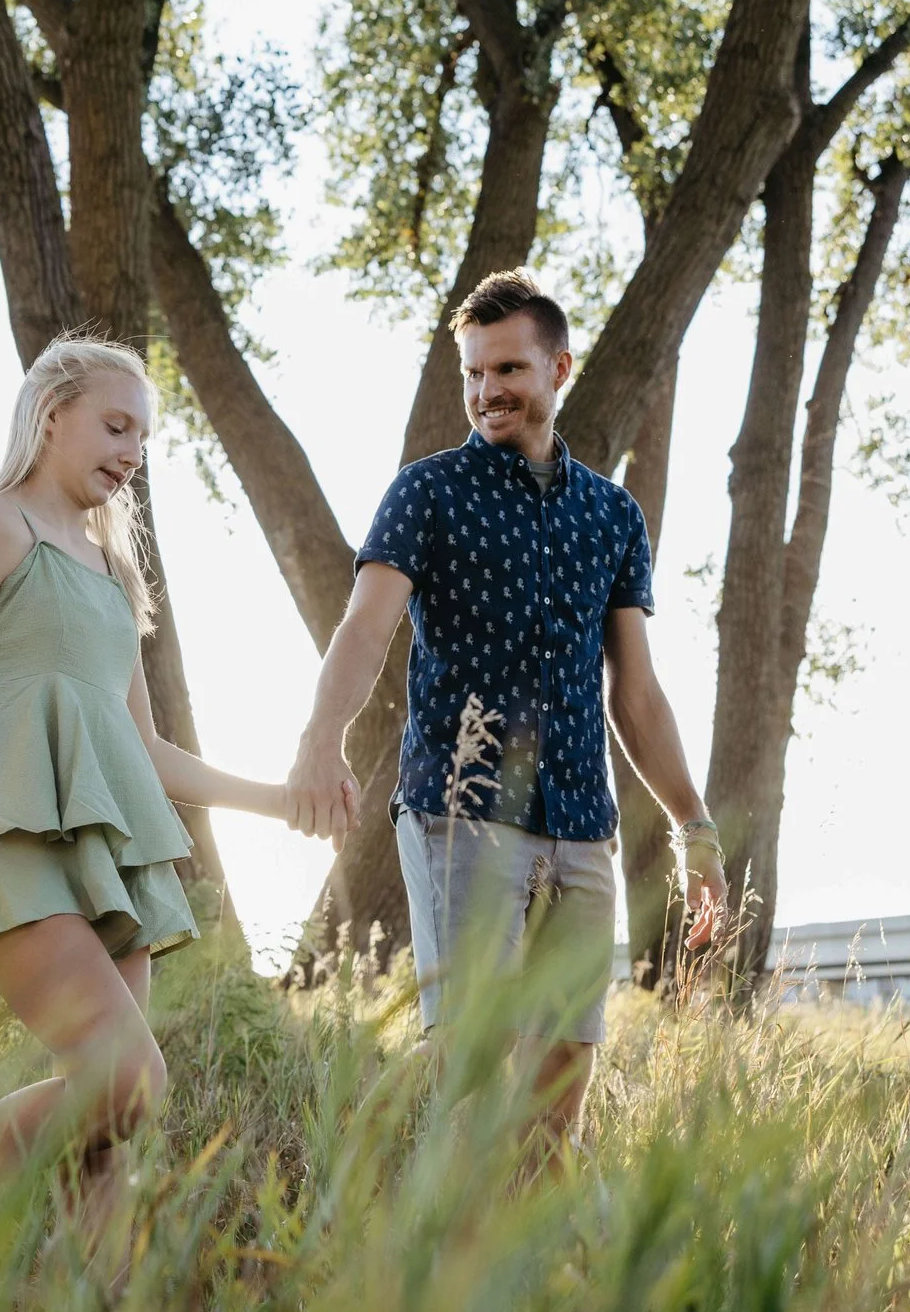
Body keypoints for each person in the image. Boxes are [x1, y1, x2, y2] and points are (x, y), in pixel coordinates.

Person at [0, 336, 322, 1216]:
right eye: (116, 426)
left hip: (107, 854)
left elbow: (146, 750)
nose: (131, 453)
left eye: (143, 440)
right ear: (51, 417)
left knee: (105, 1132)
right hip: (6, 838)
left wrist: (276, 802)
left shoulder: (112, 569)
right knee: (128, 1082)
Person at [285, 270, 728, 1163]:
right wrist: (318, 740)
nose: (488, 391)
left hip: (579, 823)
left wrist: (696, 825)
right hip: (460, 812)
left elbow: (634, 694)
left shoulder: (611, 515)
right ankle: (372, 1191)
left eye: (509, 370)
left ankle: (525, 1274)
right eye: (474, 373)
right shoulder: (428, 492)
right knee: (470, 1055)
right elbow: (366, 629)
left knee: (563, 1073)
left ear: (558, 368)